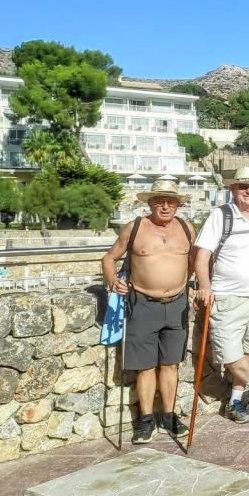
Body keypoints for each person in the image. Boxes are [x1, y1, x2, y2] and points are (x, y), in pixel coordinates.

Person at [101, 177, 195, 443]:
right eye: (159, 201)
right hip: (141, 304)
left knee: (170, 365)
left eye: (171, 202)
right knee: (144, 367)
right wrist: (112, 280)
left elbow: (194, 261)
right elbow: (109, 258)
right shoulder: (134, 228)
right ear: (150, 203)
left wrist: (197, 287)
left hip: (177, 304)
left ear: (178, 204)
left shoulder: (187, 228)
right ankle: (145, 421)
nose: (165, 207)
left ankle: (168, 415)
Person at [194, 167, 249, 423]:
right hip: (228, 296)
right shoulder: (220, 216)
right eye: (244, 186)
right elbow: (202, 256)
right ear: (233, 189)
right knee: (228, 354)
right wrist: (204, 286)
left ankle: (234, 402)